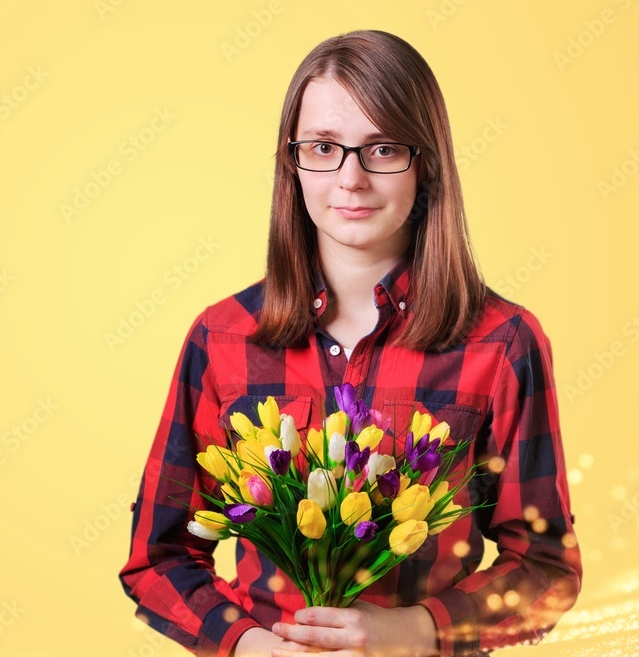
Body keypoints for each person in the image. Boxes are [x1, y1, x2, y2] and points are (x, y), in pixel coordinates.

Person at [119, 29, 582, 657]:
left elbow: (547, 569)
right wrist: (252, 645)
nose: (351, 178)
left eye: (383, 148)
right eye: (324, 147)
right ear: (293, 161)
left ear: (428, 162)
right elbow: (159, 557)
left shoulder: (502, 344)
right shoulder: (222, 338)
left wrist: (420, 630)